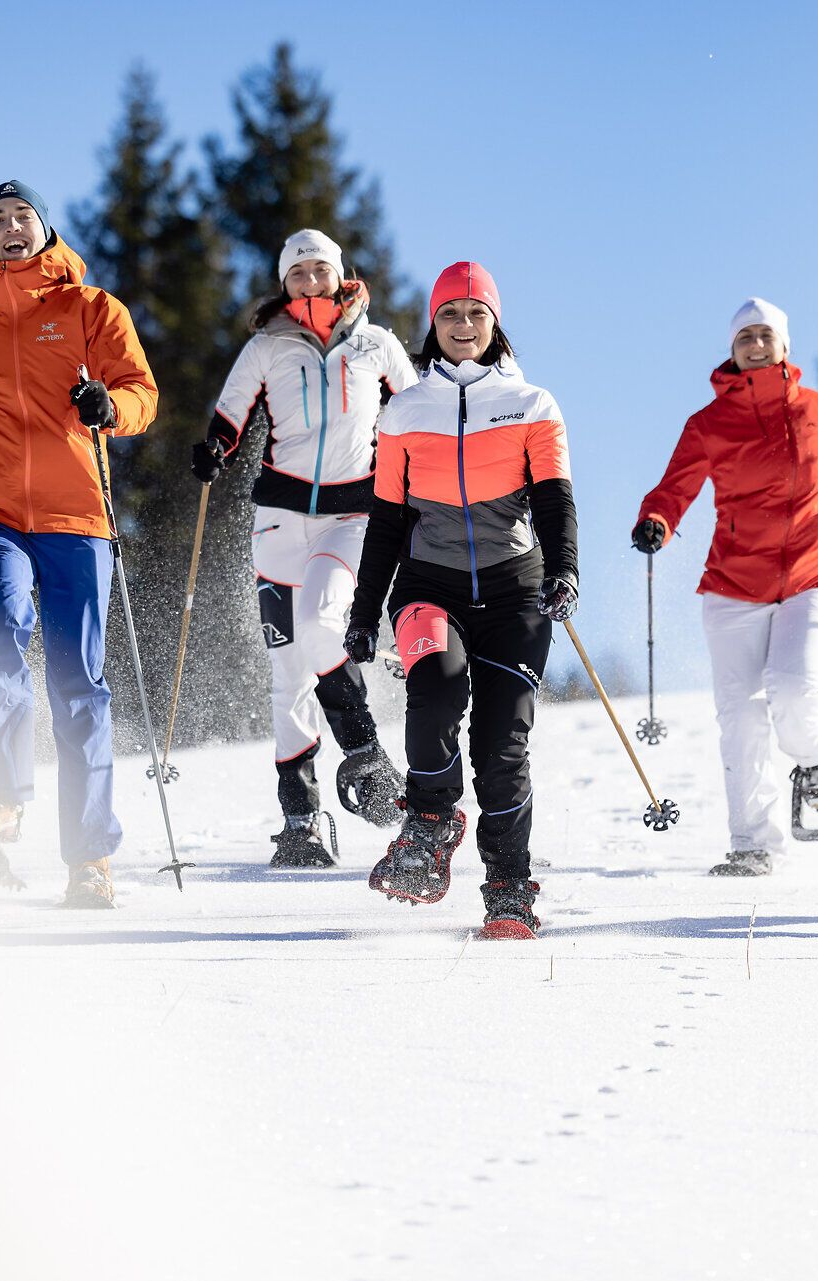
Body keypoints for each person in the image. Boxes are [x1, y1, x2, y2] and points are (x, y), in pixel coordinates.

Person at [0, 180, 159, 908]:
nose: (10, 227)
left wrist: (109, 406)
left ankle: (89, 858)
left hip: (78, 517)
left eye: (22, 216)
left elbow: (141, 393)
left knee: (78, 684)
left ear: (45, 230)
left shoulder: (92, 309)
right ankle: (0, 802)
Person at [343, 262, 578, 939]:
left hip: (516, 592)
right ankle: (431, 819)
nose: (464, 326)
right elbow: (386, 523)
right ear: (432, 324)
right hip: (428, 586)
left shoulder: (533, 404)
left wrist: (565, 571)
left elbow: (555, 502)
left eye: (477, 313)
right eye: (451, 314)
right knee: (436, 690)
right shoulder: (406, 411)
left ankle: (508, 887)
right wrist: (363, 615)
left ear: (495, 322)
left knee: (502, 746)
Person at [633, 298, 818, 877]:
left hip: (809, 574)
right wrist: (657, 521)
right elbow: (673, 489)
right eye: (745, 336)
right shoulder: (707, 424)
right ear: (731, 349)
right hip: (732, 584)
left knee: (793, 689)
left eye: (765, 335)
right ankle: (752, 844)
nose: (755, 343)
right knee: (741, 715)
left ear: (784, 347)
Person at [193, 230, 415, 868]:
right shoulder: (267, 346)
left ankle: (367, 756)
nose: (310, 283)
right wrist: (214, 448)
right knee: (286, 667)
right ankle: (301, 820)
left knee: (321, 619)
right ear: (285, 283)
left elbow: (418, 409)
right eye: (298, 274)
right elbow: (231, 413)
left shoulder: (376, 344)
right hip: (279, 517)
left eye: (321, 271)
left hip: (353, 513)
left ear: (340, 275)